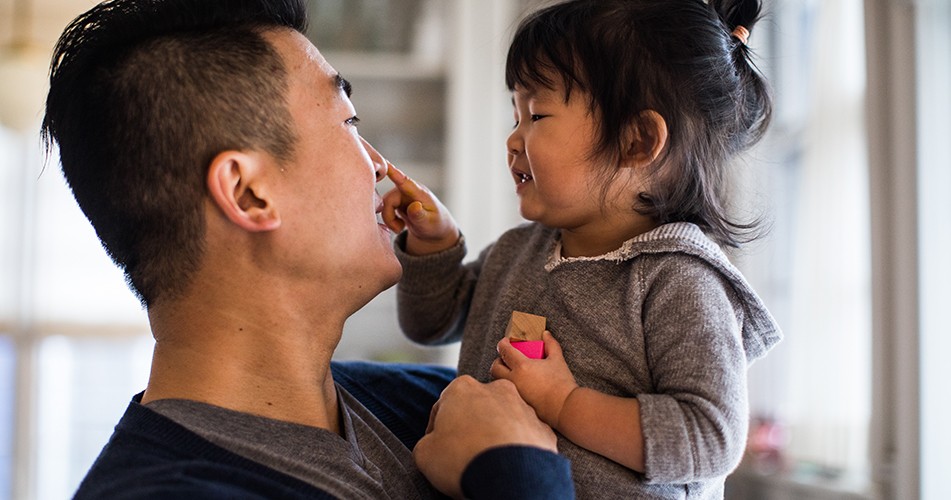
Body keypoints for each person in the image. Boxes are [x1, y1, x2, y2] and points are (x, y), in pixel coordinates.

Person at [41, 0, 574, 498]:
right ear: (248, 193)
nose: (378, 165)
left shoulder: (450, 404)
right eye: (348, 123)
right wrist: (519, 475)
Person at [383, 0, 783, 497]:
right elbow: (430, 323)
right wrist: (434, 245)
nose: (512, 140)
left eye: (536, 114)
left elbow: (710, 438)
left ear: (636, 141)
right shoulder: (517, 251)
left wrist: (564, 402)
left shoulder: (680, 281)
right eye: (515, 115)